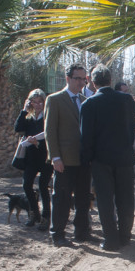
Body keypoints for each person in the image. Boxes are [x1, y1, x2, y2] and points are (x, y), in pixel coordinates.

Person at [80, 66, 135, 251]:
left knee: (105, 201)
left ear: (93, 82)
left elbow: (86, 137)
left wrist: (87, 159)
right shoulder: (126, 99)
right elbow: (133, 124)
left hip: (101, 159)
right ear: (111, 81)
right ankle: (125, 236)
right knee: (126, 198)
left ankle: (111, 240)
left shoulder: (89, 104)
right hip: (124, 157)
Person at [44, 63, 93, 247]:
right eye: (77, 78)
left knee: (82, 198)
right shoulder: (55, 100)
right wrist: (55, 157)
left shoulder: (85, 99)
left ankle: (81, 232)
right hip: (64, 160)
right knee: (62, 198)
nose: (81, 82)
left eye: (83, 78)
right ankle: (57, 234)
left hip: (83, 159)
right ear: (68, 79)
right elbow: (50, 131)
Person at [14, 89, 53, 229]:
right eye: (34, 102)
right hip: (31, 157)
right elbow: (18, 128)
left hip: (45, 157)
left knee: (43, 186)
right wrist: (24, 111)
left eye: (40, 102)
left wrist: (38, 142)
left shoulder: (47, 116)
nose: (37, 105)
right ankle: (33, 213)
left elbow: (51, 134)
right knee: (26, 184)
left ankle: (46, 217)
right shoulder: (29, 116)